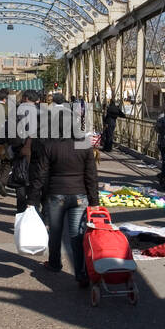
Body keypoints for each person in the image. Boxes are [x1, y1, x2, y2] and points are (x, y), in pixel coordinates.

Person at [27, 117, 100, 288]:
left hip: (56, 194)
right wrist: (94, 200)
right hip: (79, 195)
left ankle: (54, 263)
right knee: (76, 235)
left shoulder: (50, 146)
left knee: (55, 232)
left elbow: (41, 175)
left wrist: (32, 199)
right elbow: (91, 175)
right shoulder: (85, 145)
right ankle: (81, 273)